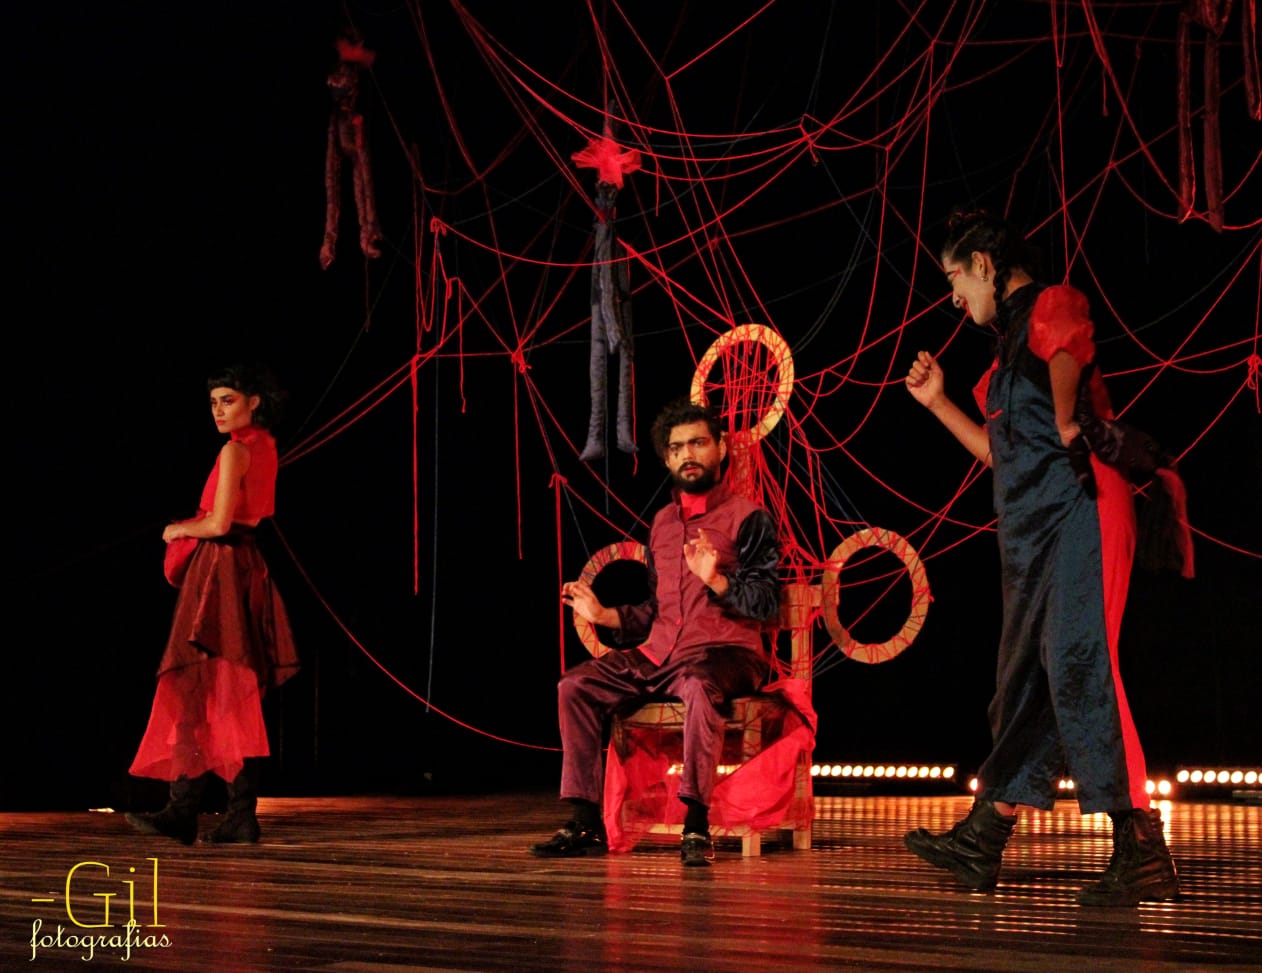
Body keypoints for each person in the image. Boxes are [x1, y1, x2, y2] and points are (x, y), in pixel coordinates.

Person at [901, 208, 1179, 906]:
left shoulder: (1049, 304)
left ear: (984, 265)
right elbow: (1000, 453)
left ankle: (1141, 845)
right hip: (1029, 530)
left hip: (1082, 509)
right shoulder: (1000, 362)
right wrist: (937, 403)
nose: (954, 295)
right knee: (1026, 676)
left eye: (955, 277)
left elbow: (1064, 350)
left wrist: (1064, 420)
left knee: (1079, 662)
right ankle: (985, 835)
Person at [530, 398, 781, 867]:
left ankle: (696, 825)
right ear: (667, 459)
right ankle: (585, 822)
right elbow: (658, 610)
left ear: (721, 448)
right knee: (575, 686)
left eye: (698, 443)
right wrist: (606, 616)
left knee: (699, 686)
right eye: (677, 448)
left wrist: (716, 580)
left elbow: (766, 602)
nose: (688, 455)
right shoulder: (662, 524)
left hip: (727, 654)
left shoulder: (749, 518)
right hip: (661, 655)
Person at [125, 363, 300, 845]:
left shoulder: (234, 451)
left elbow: (219, 524)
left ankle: (192, 811)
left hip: (221, 568)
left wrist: (178, 529)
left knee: (199, 685)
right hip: (242, 565)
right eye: (214, 403)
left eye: (228, 400)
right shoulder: (264, 446)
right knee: (224, 688)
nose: (219, 411)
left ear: (254, 401)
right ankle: (230, 813)